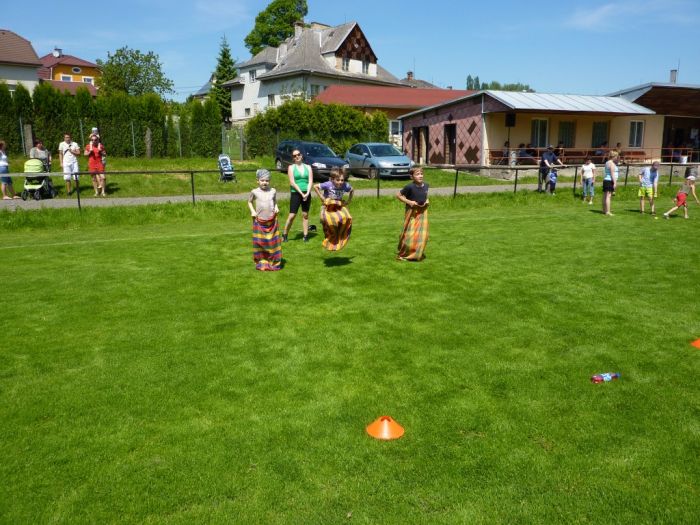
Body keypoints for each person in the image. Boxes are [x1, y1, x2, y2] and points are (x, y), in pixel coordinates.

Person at [247, 169, 282, 271]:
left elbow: (274, 201)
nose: (264, 183)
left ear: (269, 181)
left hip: (272, 221)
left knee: (272, 243)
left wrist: (276, 207)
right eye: (262, 180)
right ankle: (262, 261)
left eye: (267, 180)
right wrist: (252, 211)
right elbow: (249, 202)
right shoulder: (254, 192)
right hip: (259, 221)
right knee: (260, 243)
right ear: (257, 181)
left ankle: (274, 261)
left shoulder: (273, 191)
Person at [313, 167, 354, 251]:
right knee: (325, 220)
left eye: (342, 180)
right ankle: (328, 238)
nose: (340, 182)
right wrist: (321, 197)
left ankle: (340, 238)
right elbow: (315, 186)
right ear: (332, 179)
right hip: (327, 206)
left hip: (338, 205)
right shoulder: (328, 184)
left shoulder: (345, 185)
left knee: (347, 217)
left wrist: (349, 201)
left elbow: (352, 190)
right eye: (338, 180)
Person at [396, 167, 429, 261]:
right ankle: (405, 252)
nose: (420, 176)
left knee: (423, 235)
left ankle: (417, 253)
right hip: (411, 212)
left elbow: (425, 196)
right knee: (409, 234)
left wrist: (426, 201)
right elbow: (398, 195)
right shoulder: (409, 187)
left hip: (422, 212)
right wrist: (409, 202)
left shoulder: (426, 185)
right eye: (417, 174)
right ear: (412, 177)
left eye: (421, 173)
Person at [282, 148, 313, 243]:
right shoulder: (291, 167)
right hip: (296, 193)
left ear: (301, 155)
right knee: (292, 215)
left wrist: (307, 193)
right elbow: (292, 182)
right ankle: (285, 234)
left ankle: (305, 235)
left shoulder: (308, 167)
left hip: (306, 193)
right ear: (293, 158)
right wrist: (301, 193)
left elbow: (310, 181)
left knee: (305, 215)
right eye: (294, 156)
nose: (297, 156)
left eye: (298, 154)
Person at [602, 150, 620, 216]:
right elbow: (612, 174)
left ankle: (604, 210)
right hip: (609, 181)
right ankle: (608, 212)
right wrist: (615, 183)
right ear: (614, 156)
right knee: (608, 197)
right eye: (616, 156)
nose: (617, 158)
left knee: (605, 196)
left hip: (606, 180)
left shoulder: (607, 162)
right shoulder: (611, 163)